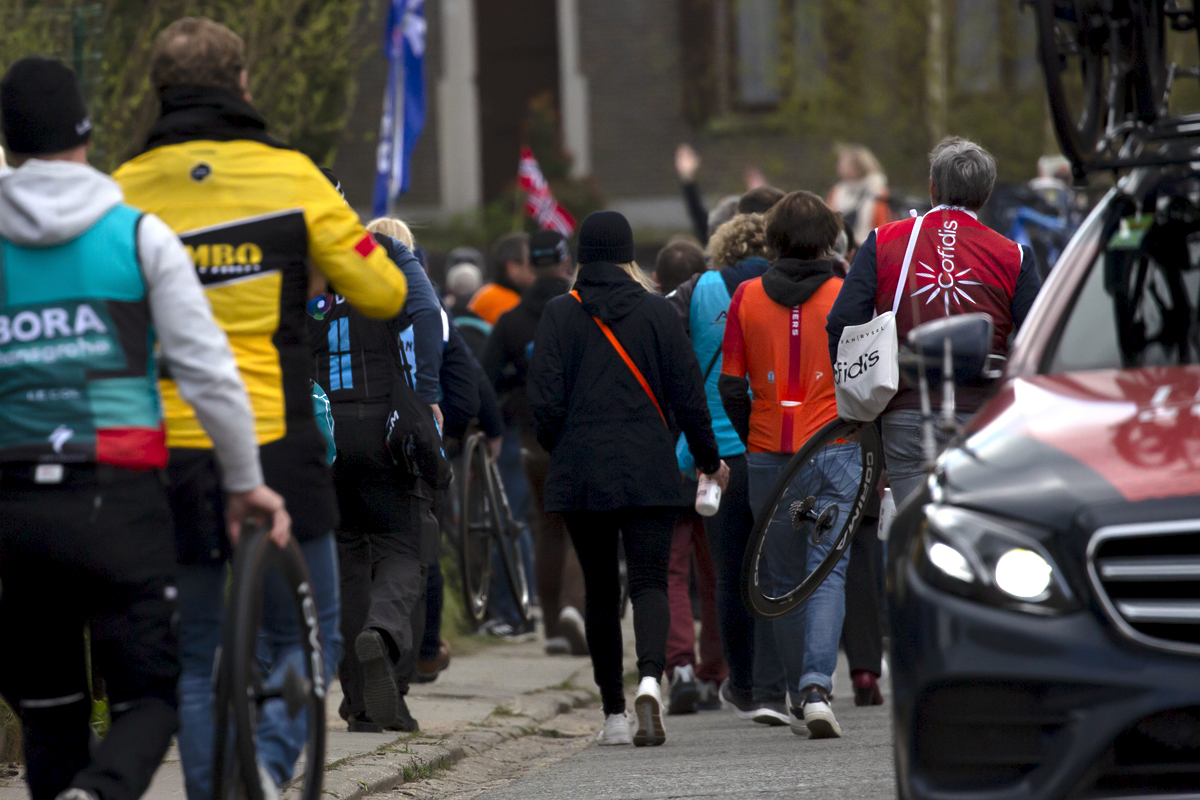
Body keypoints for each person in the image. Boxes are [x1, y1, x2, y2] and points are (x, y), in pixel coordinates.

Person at [113, 18, 408, 799]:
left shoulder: (124, 186)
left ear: (159, 92)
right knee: (304, 636)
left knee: (199, 650)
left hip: (168, 442)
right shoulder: (293, 176)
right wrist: (328, 255)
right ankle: (273, 770)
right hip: (275, 433)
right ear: (244, 86)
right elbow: (385, 289)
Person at [0, 57, 287, 800]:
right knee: (151, 697)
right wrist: (247, 482)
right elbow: (209, 374)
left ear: (9, 147)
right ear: (85, 139)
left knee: (51, 711)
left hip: (15, 504)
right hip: (119, 501)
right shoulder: (137, 237)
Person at [528, 211, 729, 747]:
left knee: (599, 587)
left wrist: (564, 447)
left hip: (581, 471)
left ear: (580, 256)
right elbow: (689, 397)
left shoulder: (557, 315)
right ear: (628, 255)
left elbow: (542, 405)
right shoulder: (657, 314)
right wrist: (708, 460)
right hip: (649, 468)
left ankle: (614, 713)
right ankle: (648, 679)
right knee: (649, 581)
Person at [826, 136, 1042, 504]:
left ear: (932, 188)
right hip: (983, 420)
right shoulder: (1014, 256)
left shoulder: (882, 241)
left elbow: (841, 323)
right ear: (986, 194)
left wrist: (861, 402)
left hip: (906, 413)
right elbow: (1039, 343)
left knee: (916, 536)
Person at [720, 190, 850, 738]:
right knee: (827, 568)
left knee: (779, 576)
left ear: (772, 239)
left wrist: (756, 428)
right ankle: (817, 686)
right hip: (834, 450)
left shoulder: (746, 296)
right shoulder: (846, 295)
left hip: (770, 451)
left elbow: (730, 384)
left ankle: (800, 690)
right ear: (829, 238)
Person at [312, 222, 443, 733]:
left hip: (321, 428)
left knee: (345, 563)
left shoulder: (297, 263)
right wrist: (428, 393)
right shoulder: (377, 253)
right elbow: (426, 309)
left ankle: (359, 704)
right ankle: (384, 635)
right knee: (405, 546)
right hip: (383, 424)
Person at [665, 212, 786, 724]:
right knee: (777, 569)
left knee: (724, 571)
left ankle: (737, 680)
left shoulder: (696, 290)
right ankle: (779, 678)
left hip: (710, 450)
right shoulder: (781, 289)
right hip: (775, 442)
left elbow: (667, 355)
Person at [482, 230, 587, 656]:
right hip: (580, 435)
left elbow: (484, 379)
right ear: (565, 263)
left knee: (548, 527)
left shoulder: (512, 320)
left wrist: (509, 395)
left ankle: (552, 629)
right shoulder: (582, 309)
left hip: (531, 439)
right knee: (584, 523)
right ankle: (575, 609)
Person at [827, 143, 892, 248]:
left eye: (842, 163)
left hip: (869, 249)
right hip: (841, 248)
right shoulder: (837, 190)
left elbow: (883, 226)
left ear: (856, 166)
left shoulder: (878, 192)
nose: (837, 166)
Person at [468, 232, 534, 325]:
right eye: (531, 262)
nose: (536, 267)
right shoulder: (508, 304)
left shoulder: (489, 292)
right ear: (512, 267)